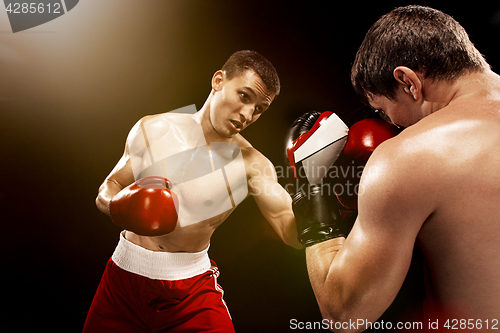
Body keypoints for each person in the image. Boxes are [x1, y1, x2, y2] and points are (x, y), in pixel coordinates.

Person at [290, 6, 500, 332]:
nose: (393, 126)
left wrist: (312, 195)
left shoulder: (410, 155)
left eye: (384, 112)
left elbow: (345, 314)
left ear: (407, 81)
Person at [83, 50, 301, 333]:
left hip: (189, 295)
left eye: (259, 109)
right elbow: (109, 187)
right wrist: (118, 206)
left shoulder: (252, 165)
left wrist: (321, 199)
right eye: (245, 97)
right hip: (121, 283)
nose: (248, 114)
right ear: (218, 81)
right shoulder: (154, 128)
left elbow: (291, 231)